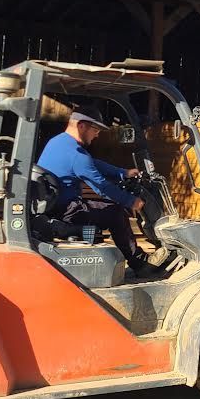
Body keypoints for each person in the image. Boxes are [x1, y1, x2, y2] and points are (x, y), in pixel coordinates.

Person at [38, 110, 156, 277]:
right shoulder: (76, 155)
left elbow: (92, 163)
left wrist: (122, 172)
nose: (97, 135)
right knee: (116, 212)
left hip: (55, 207)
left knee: (106, 208)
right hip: (67, 211)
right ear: (82, 126)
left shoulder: (58, 143)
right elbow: (102, 187)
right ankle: (139, 263)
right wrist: (131, 201)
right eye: (95, 130)